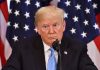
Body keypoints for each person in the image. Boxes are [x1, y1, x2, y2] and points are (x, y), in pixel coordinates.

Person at [2, 6, 98, 70]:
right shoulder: (23, 48)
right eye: (45, 26)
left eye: (55, 25)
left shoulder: (77, 48)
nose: (51, 31)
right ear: (37, 29)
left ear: (63, 26)